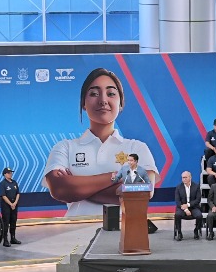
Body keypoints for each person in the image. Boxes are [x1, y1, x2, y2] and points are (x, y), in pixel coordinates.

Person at [42, 68, 158, 219]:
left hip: (124, 234)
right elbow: (59, 189)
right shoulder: (65, 147)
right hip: (72, 235)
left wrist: (77, 189)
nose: (103, 100)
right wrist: (117, 176)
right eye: (94, 94)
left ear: (121, 103)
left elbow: (143, 192)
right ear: (84, 103)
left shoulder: (136, 148)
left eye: (111, 94)